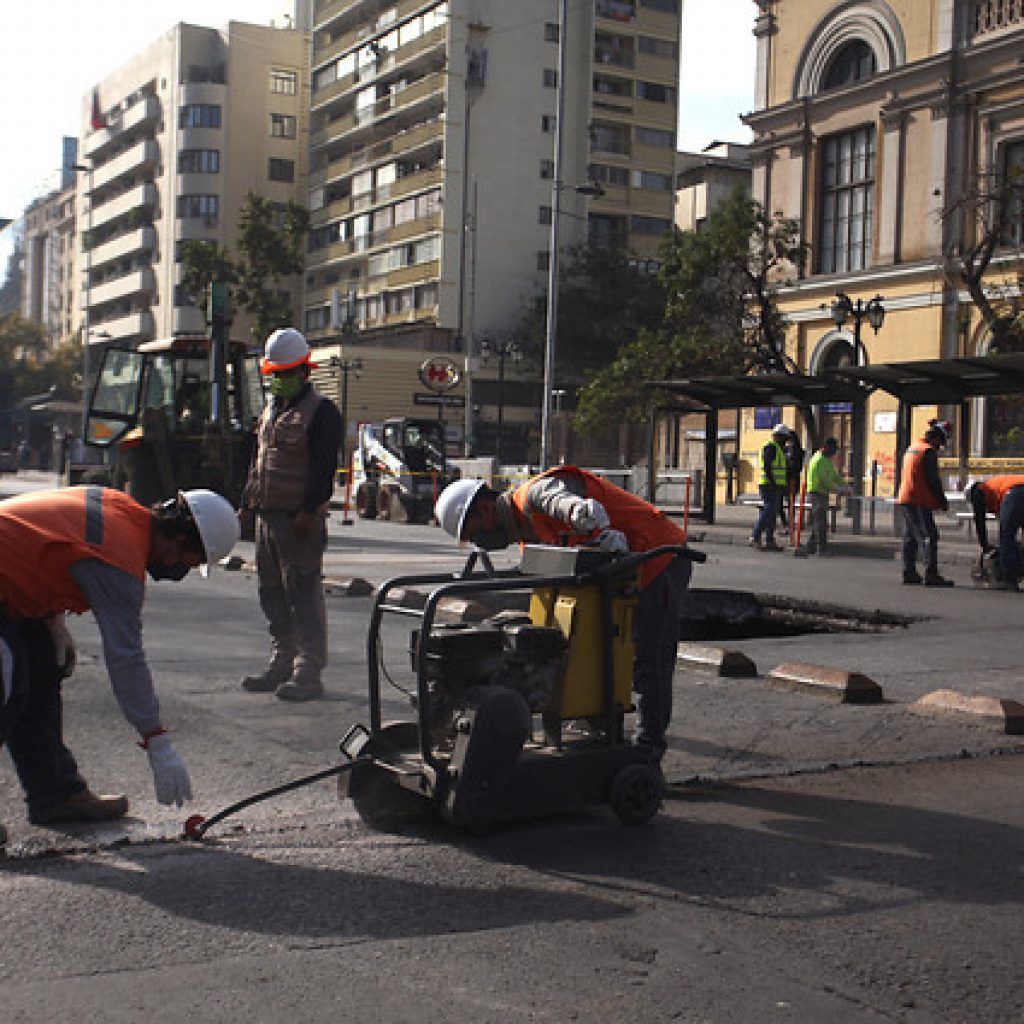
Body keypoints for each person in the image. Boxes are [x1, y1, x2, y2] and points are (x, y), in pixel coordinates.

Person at [0, 486, 240, 840]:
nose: (176, 569)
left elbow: (50, 544)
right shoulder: (120, 559)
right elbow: (126, 658)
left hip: (11, 587)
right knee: (7, 680)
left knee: (39, 671)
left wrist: (53, 622)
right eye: (184, 560)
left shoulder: (122, 510)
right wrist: (156, 740)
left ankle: (56, 794)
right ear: (178, 533)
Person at [434, 468, 693, 762]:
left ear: (484, 509)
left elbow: (558, 499)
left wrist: (578, 512)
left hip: (659, 558)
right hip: (620, 576)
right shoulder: (525, 534)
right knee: (587, 651)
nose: (481, 543)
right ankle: (600, 737)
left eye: (474, 533)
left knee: (651, 661)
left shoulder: (534, 496)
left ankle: (647, 752)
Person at [239, 328, 342, 702]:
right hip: (268, 515)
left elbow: (324, 467)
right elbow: (258, 463)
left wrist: (308, 511)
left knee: (303, 592)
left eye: (287, 373)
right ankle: (281, 660)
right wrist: (247, 505)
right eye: (276, 374)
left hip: (299, 520)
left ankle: (308, 670)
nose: (280, 380)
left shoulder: (322, 412)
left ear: (304, 371)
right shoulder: (270, 411)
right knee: (272, 593)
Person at [896, 419, 954, 587]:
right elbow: (933, 480)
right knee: (929, 535)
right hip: (919, 499)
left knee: (910, 536)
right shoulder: (928, 452)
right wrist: (942, 501)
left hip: (906, 497)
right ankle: (931, 573)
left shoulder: (913, 448)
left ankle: (909, 572)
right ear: (936, 438)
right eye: (941, 442)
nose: (940, 446)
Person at [964, 475, 1024, 592]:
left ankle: (1009, 580)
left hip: (1016, 493)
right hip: (1017, 491)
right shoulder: (994, 486)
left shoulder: (979, 491)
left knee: (1006, 537)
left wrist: (984, 545)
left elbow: (980, 520)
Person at [804, 437, 850, 556]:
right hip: (816, 493)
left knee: (819, 521)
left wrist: (845, 485)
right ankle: (821, 549)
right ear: (826, 448)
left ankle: (811, 546)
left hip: (823, 494)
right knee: (821, 522)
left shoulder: (827, 460)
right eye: (834, 449)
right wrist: (839, 489)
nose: (835, 452)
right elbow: (824, 481)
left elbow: (834, 476)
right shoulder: (818, 460)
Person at [749, 423, 789, 552]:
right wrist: (773, 482)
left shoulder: (779, 449)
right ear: (779, 437)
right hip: (769, 484)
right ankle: (755, 535)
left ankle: (770, 540)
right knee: (768, 510)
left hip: (776, 485)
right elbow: (767, 466)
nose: (786, 441)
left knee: (772, 512)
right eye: (784, 438)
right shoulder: (771, 448)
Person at [781, 431, 805, 531]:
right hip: (783, 478)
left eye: (791, 439)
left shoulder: (798, 451)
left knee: (791, 501)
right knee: (779, 502)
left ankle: (790, 524)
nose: (789, 442)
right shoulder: (783, 449)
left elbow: (798, 466)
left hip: (793, 478)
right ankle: (785, 522)